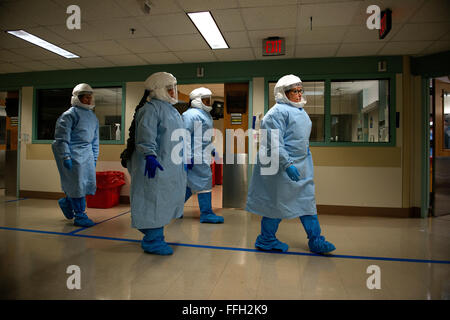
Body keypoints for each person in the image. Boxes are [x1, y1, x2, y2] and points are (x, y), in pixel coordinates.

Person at [246, 74, 336, 254]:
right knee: (276, 204)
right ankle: (266, 240)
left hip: (301, 164)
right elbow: (274, 143)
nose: (298, 94)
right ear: (283, 93)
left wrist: (304, 159)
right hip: (279, 167)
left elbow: (301, 140)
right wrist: (287, 164)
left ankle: (316, 239)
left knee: (306, 201)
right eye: (294, 91)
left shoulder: (301, 112)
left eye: (300, 90)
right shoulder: (276, 113)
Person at [126, 72, 186, 255]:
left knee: (164, 200)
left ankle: (153, 233)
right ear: (159, 90)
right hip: (153, 164)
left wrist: (186, 157)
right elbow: (146, 136)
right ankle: (152, 240)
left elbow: (178, 137)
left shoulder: (172, 111)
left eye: (174, 89)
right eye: (170, 89)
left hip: (169, 165)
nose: (173, 92)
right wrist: (150, 155)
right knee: (153, 201)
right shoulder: (150, 109)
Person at [52, 83, 99, 227]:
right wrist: (65, 155)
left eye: (90, 97)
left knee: (84, 184)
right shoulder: (69, 115)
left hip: (87, 154)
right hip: (73, 154)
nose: (88, 100)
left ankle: (66, 202)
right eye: (85, 97)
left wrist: (94, 156)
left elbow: (95, 140)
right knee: (77, 184)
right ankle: (80, 215)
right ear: (78, 98)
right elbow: (61, 138)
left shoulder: (92, 116)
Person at [182, 87, 224, 224]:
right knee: (204, 182)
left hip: (201, 154)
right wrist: (187, 157)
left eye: (209, 100)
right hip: (195, 156)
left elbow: (203, 138)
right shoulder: (190, 115)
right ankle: (206, 214)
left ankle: (173, 210)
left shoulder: (205, 115)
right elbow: (185, 137)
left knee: (189, 184)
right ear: (196, 100)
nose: (208, 103)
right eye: (205, 100)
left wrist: (212, 150)